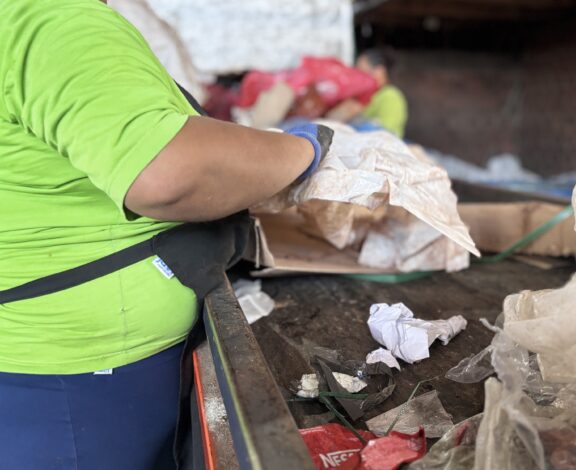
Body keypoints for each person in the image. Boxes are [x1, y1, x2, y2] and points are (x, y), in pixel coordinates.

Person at [0, 1, 332, 469]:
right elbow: (169, 173)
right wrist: (300, 150)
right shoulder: (48, 15)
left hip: (31, 364)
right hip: (76, 384)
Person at [326, 49, 409, 138]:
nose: (357, 77)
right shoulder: (359, 97)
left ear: (379, 71)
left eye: (362, 72)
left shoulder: (390, 95)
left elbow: (384, 133)